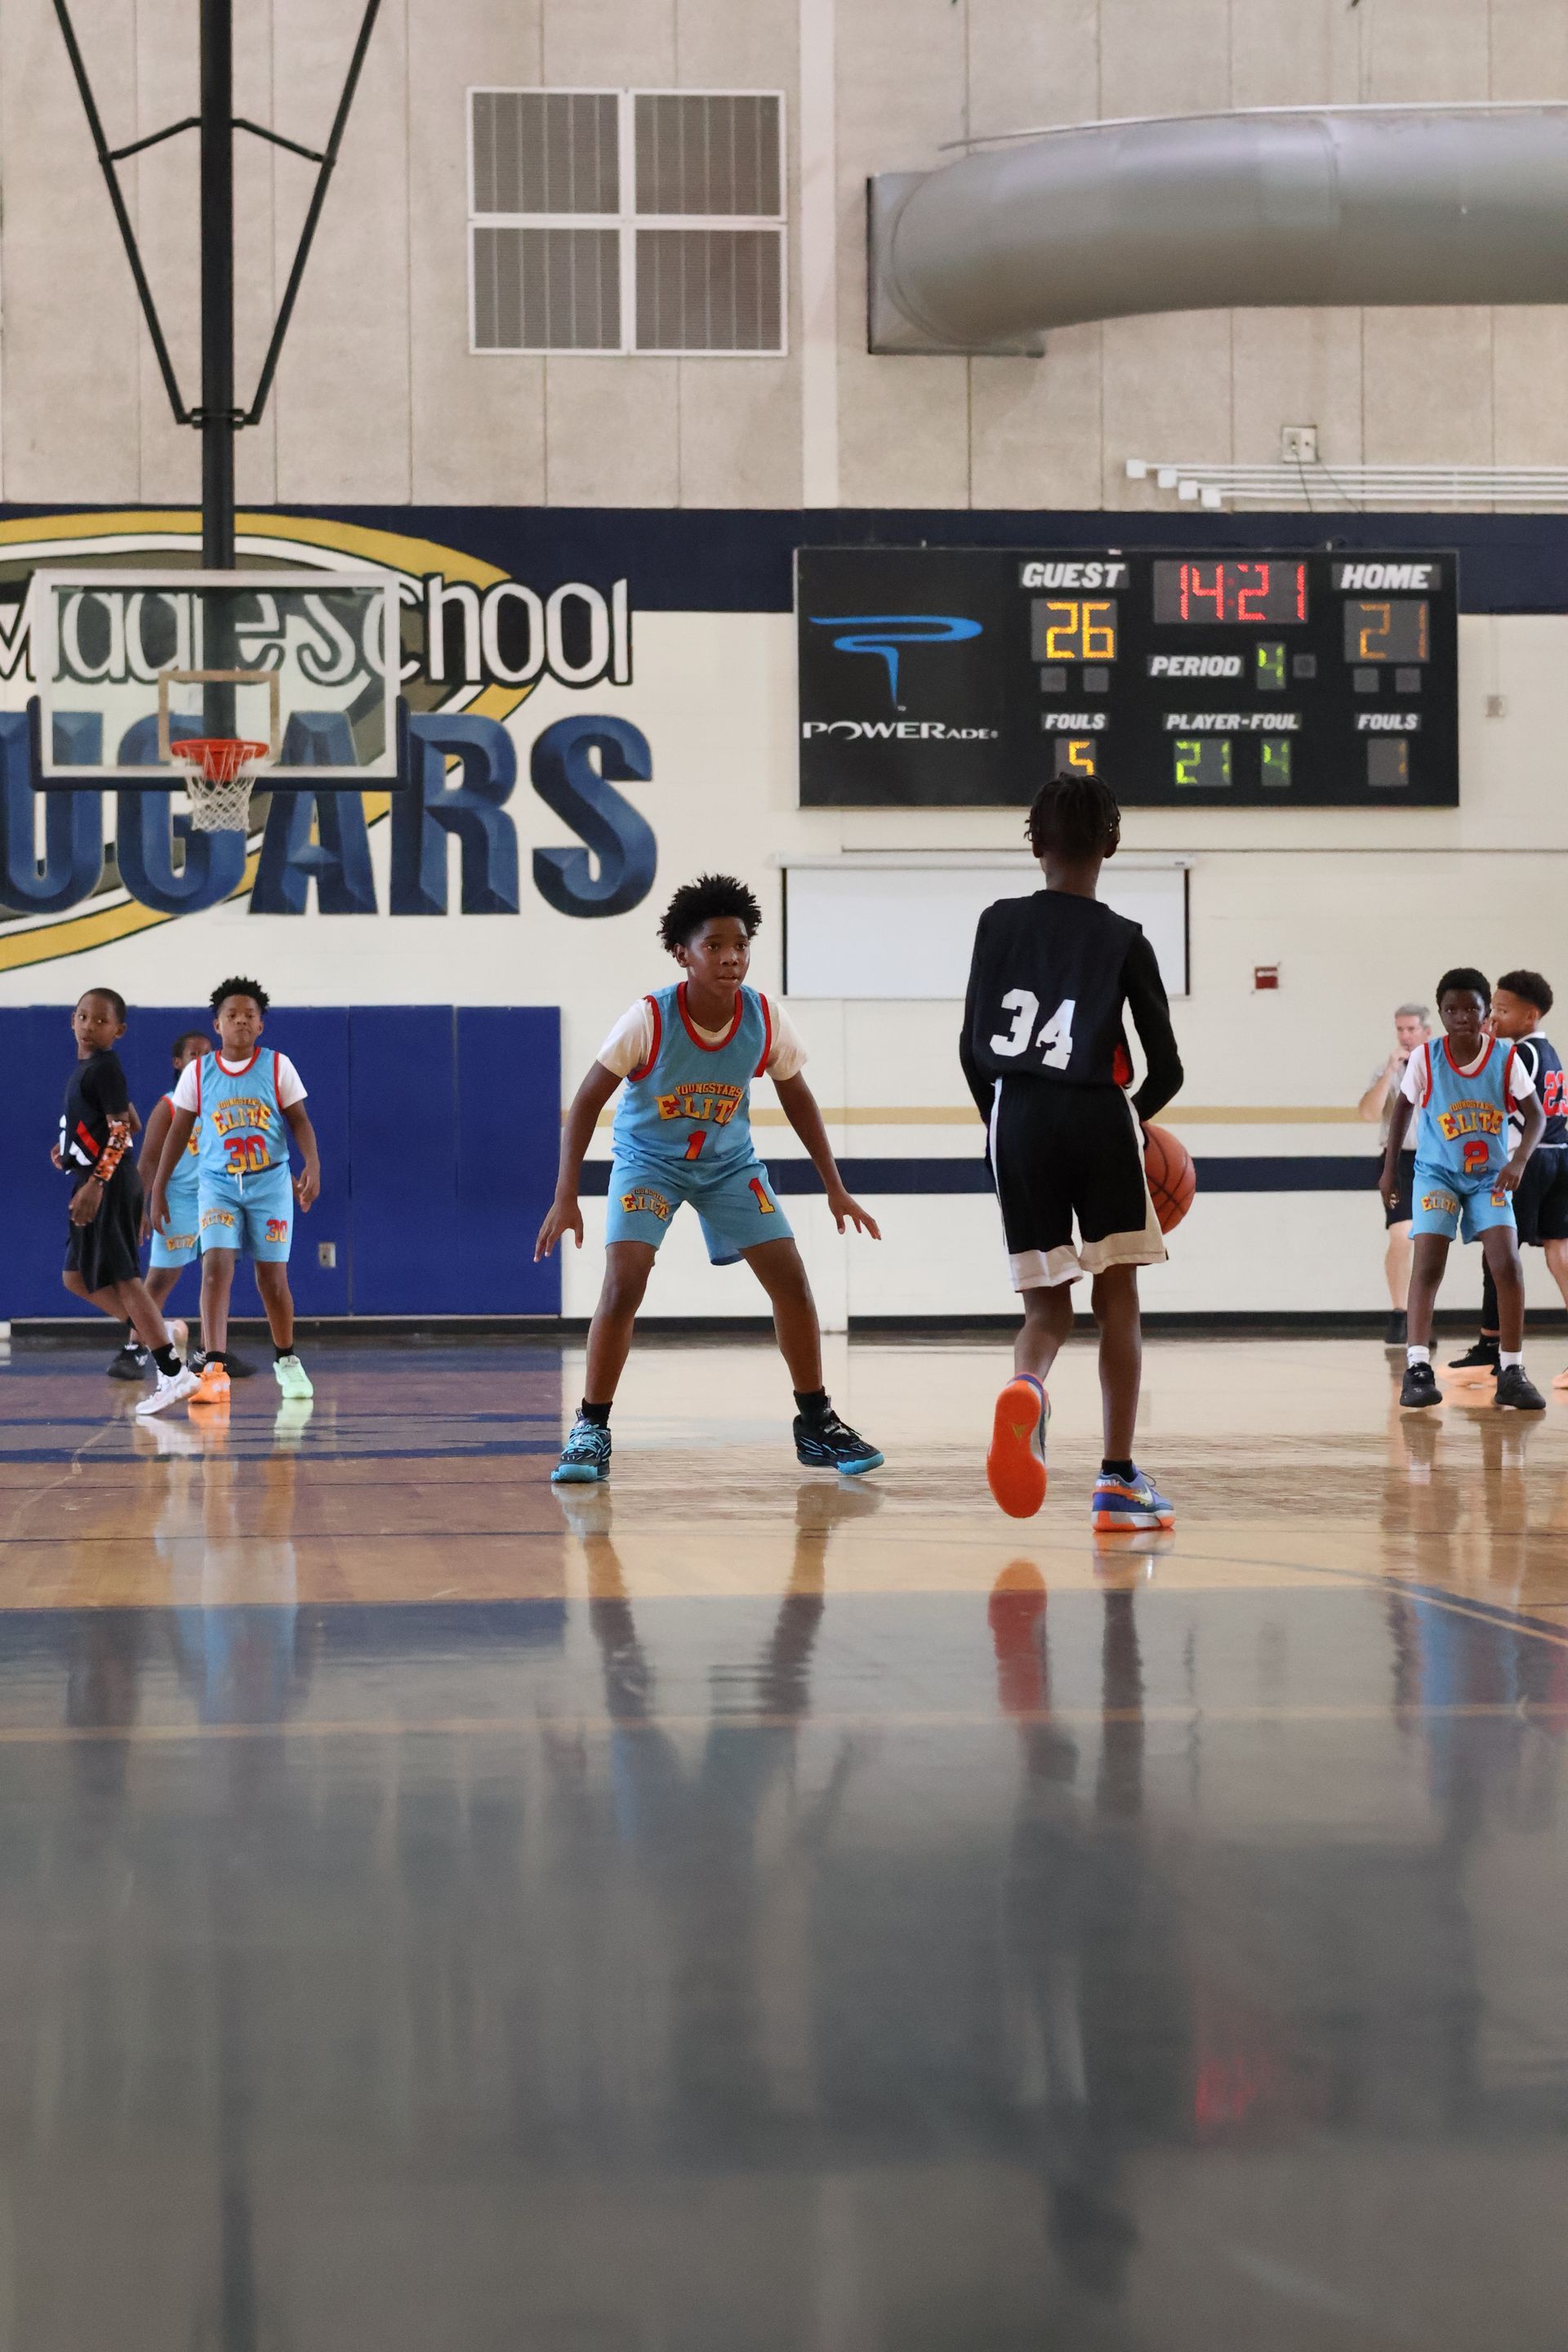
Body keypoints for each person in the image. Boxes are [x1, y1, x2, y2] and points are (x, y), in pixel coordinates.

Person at [534, 872, 884, 1483]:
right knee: (625, 1282)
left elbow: (798, 1099)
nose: (730, 958)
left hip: (728, 1165)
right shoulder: (648, 1018)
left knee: (792, 1280)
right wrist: (567, 1196)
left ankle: (816, 1422)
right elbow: (586, 1102)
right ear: (683, 954)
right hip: (649, 1162)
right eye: (714, 945)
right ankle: (591, 1427)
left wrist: (835, 1186)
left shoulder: (764, 1017)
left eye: (740, 945)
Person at [960, 775, 1184, 1530]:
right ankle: (1117, 1481)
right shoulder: (1125, 938)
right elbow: (1167, 1069)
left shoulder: (996, 923)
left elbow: (970, 1049)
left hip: (1016, 1116)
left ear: (1035, 845)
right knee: (1117, 1297)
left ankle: (1028, 1385)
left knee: (1045, 1306)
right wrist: (1133, 1125)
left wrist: (1001, 1126)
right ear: (1111, 845)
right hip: (1097, 1113)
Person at [147, 977, 321, 1406]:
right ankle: (214, 1367)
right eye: (232, 1015)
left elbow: (299, 1119)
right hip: (218, 1184)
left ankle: (287, 1359)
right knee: (215, 1267)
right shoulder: (199, 1072)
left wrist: (312, 1164)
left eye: (249, 1015)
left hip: (270, 1182)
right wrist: (159, 1188)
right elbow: (177, 1132)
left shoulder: (278, 1066)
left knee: (272, 1278)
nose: (241, 1021)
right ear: (218, 1025)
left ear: (261, 1025)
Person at [1380, 968, 1546, 1411]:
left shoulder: (1505, 1058)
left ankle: (1511, 1370)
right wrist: (1390, 1170)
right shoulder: (1426, 1058)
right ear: (1441, 1013)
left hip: (1488, 1176)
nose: (1461, 1017)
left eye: (1471, 1008)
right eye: (1451, 1009)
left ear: (1485, 1012)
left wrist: (1518, 1161)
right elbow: (1402, 1112)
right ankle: (1417, 1368)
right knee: (1428, 1263)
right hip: (1437, 1174)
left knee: (1507, 1263)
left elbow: (1537, 1116)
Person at [55, 987, 198, 1419]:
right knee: (75, 1277)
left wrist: (96, 1184)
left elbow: (121, 1132)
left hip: (109, 1185)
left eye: (101, 1021)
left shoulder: (105, 1068)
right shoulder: (89, 1070)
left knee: (124, 1279)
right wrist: (70, 1150)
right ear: (72, 1019)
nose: (89, 1026)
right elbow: (129, 1119)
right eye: (83, 1016)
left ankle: (173, 1372)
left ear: (118, 1030)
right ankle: (159, 1330)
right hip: (93, 1177)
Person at [107, 1029, 257, 1384]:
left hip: (217, 1198)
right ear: (178, 1062)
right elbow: (147, 1162)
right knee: (161, 1278)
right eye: (194, 1054)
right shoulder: (170, 1105)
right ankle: (135, 1348)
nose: (202, 1060)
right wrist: (141, 1207)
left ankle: (210, 1350)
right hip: (176, 1200)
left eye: (208, 1054)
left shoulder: (223, 1101)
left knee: (218, 1273)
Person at [1447, 969, 1568, 1391]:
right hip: (1560, 1155)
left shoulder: (1520, 1055)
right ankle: (1493, 1346)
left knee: (1498, 1253)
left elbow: (1498, 1101)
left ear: (1530, 1015)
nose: (1493, 1017)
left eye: (1501, 1009)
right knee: (1560, 1254)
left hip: (1528, 1160)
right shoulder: (1549, 1053)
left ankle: (1492, 1347)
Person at [1357, 1002, 1432, 1347]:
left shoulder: (1440, 1067)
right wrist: (1389, 1072)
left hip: (1434, 1162)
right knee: (1402, 1236)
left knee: (1430, 1241)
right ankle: (1399, 1311)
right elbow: (1368, 1113)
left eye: (1411, 1029)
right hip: (1398, 1161)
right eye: (1400, 1029)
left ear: (1426, 1032)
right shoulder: (1387, 1070)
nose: (1404, 1035)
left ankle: (1422, 1315)